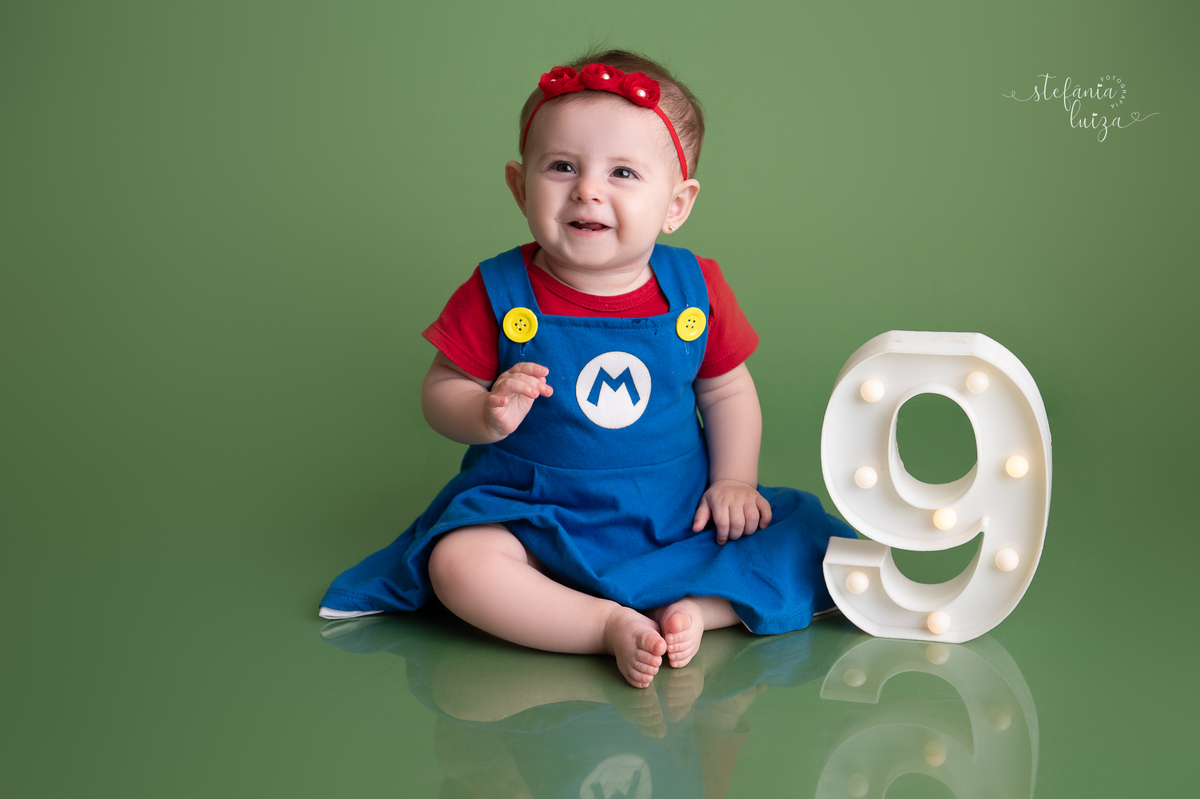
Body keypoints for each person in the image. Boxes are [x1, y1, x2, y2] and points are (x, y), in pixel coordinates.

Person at [319, 49, 856, 688]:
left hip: (674, 512)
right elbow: (441, 389)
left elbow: (727, 391)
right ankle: (602, 625)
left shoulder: (695, 289)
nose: (588, 189)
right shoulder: (498, 290)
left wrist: (734, 481)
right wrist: (483, 413)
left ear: (676, 204)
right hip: (533, 511)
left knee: (797, 539)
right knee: (458, 563)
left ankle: (694, 611)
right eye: (563, 166)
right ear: (520, 186)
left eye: (623, 172)